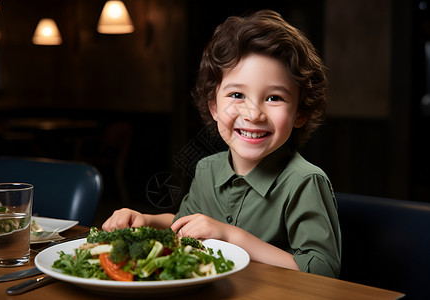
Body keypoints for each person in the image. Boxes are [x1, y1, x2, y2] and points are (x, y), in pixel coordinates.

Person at [102, 9, 341, 278]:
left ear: (300, 113)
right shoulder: (208, 169)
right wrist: (146, 221)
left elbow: (324, 271)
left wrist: (232, 236)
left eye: (274, 97)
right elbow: (188, 225)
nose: (253, 114)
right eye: (237, 94)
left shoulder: (305, 181)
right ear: (214, 107)